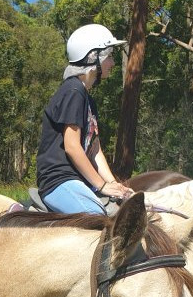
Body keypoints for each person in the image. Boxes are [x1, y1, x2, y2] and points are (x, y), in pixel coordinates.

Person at [36, 23, 133, 213]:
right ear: (93, 57)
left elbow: (94, 149)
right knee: (97, 218)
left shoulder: (88, 99)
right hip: (58, 180)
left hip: (78, 180)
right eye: (109, 56)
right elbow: (72, 147)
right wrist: (101, 186)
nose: (112, 63)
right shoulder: (73, 91)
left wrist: (113, 184)